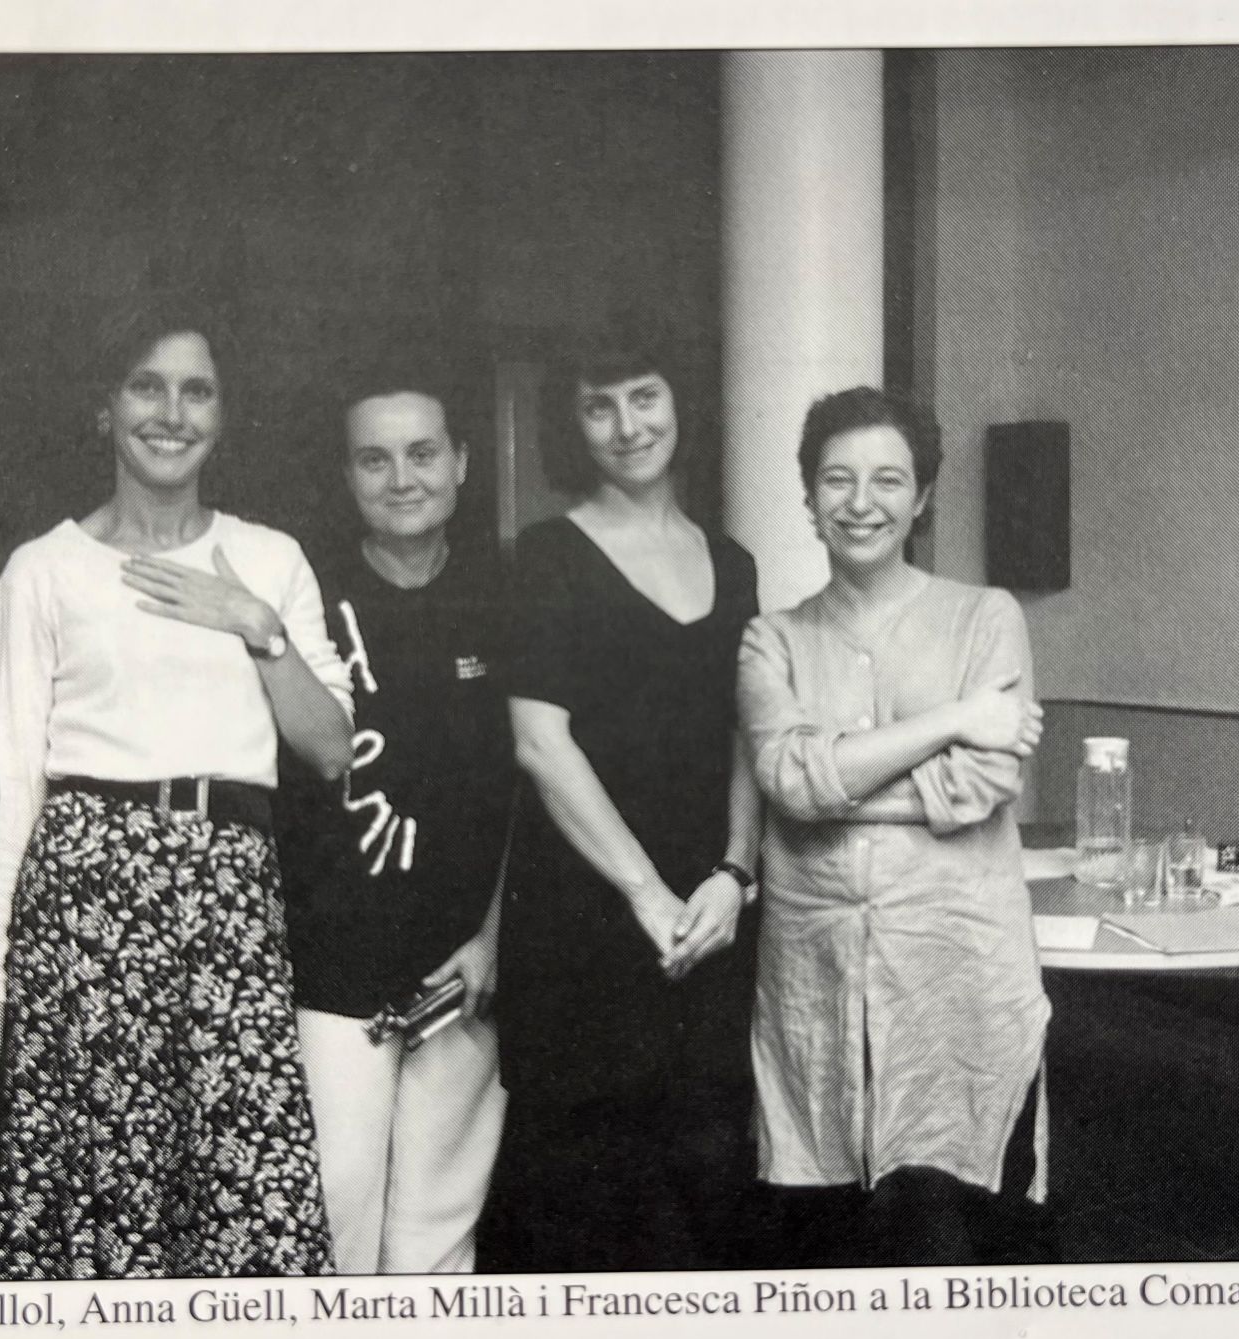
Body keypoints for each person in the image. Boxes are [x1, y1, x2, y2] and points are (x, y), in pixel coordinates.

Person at [0, 304, 355, 1279]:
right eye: (145, 385)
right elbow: (16, 789)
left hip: (228, 907)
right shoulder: (42, 570)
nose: (170, 413)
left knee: (244, 1201)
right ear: (104, 407)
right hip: (86, 903)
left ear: (224, 413)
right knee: (103, 1200)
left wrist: (256, 625)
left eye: (196, 389)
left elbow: (329, 750)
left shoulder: (269, 559)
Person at [736, 386, 1053, 1268]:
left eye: (887, 479)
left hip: (958, 986)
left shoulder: (987, 616)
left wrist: (828, 778)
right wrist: (950, 722)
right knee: (828, 1256)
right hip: (815, 991)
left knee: (958, 1242)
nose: (861, 501)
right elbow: (786, 779)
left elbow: (984, 782)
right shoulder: (772, 640)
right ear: (808, 499)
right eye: (837, 480)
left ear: (921, 498)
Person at [482, 317, 762, 1273]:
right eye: (598, 406)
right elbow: (538, 740)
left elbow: (745, 736)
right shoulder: (547, 554)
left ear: (681, 401)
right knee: (585, 1214)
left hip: (710, 924)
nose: (626, 424)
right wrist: (649, 896)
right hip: (585, 927)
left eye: (645, 396)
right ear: (575, 426)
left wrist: (732, 873)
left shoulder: (733, 564)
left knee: (705, 1196)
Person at [277, 368, 514, 1274]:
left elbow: (530, 790)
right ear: (347, 476)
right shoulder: (308, 596)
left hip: (462, 974)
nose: (401, 477)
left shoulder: (504, 594)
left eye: (422, 453)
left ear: (460, 462)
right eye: (374, 458)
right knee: (337, 1225)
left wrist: (493, 942)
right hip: (332, 971)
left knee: (435, 1240)